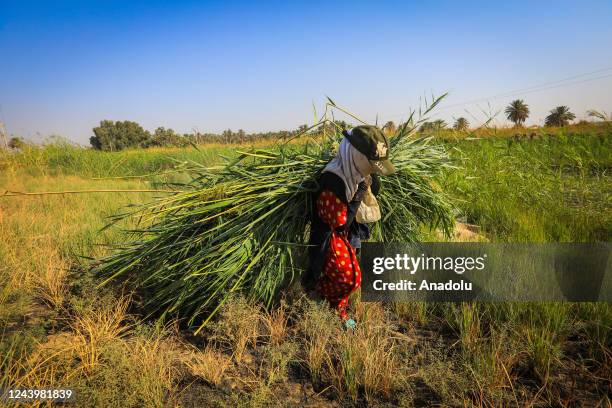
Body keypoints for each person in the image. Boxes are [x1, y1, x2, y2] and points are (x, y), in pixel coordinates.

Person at [302, 125, 395, 329]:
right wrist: (361, 191)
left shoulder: (356, 172)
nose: (372, 169)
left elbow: (373, 190)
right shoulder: (333, 179)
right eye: (371, 164)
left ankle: (337, 307)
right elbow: (339, 221)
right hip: (330, 235)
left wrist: (369, 182)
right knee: (349, 278)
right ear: (356, 155)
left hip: (348, 231)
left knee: (351, 273)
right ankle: (317, 296)